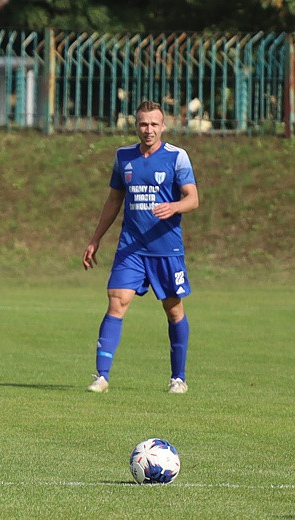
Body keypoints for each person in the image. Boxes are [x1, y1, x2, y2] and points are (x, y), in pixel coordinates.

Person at [82, 100, 199, 394]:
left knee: (173, 311)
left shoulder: (177, 157)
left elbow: (193, 199)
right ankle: (101, 376)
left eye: (154, 124)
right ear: (136, 125)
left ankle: (178, 378)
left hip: (166, 250)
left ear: (163, 126)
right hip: (131, 248)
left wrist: (174, 206)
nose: (148, 130)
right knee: (116, 302)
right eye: (143, 124)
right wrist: (96, 238)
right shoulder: (124, 157)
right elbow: (113, 201)